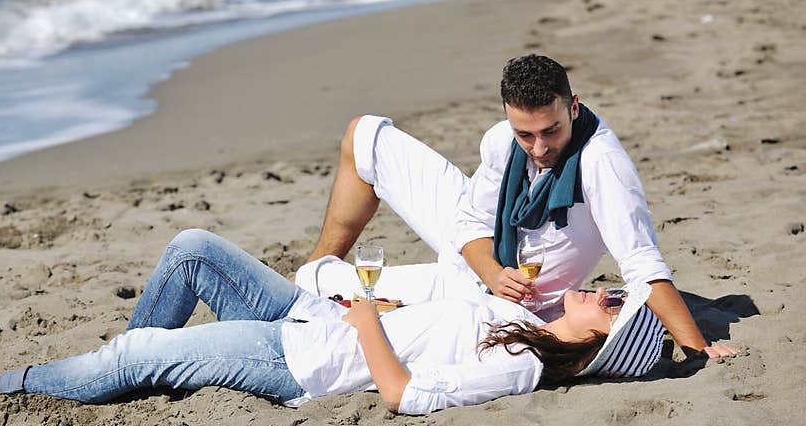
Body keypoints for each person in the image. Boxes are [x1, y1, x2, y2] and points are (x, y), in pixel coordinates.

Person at [0, 229, 668, 415]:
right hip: (319, 317)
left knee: (146, 348)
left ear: (605, 338)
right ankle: (127, 366)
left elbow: (404, 395)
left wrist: (372, 319)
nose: (598, 290)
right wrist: (383, 310)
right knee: (191, 251)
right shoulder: (523, 322)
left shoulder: (522, 366)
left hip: (300, 360)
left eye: (609, 302)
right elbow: (434, 329)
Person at [297, 53, 737, 360]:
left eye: (551, 131)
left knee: (312, 283)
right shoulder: (503, 140)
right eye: (526, 135)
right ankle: (324, 260)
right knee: (365, 133)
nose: (540, 147)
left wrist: (698, 347)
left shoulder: (603, 163)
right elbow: (468, 221)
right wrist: (491, 270)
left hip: (492, 305)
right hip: (481, 265)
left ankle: (318, 276)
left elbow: (641, 261)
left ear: (574, 106)